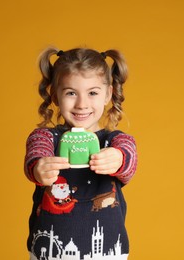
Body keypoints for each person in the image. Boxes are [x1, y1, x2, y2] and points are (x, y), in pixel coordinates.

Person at [24, 46, 137, 259]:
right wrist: (40, 167)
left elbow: (129, 162)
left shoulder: (116, 142)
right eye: (70, 93)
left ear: (108, 94)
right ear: (55, 96)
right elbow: (35, 157)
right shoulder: (45, 138)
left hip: (108, 252)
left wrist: (119, 159)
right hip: (48, 253)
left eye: (92, 93)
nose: (82, 104)